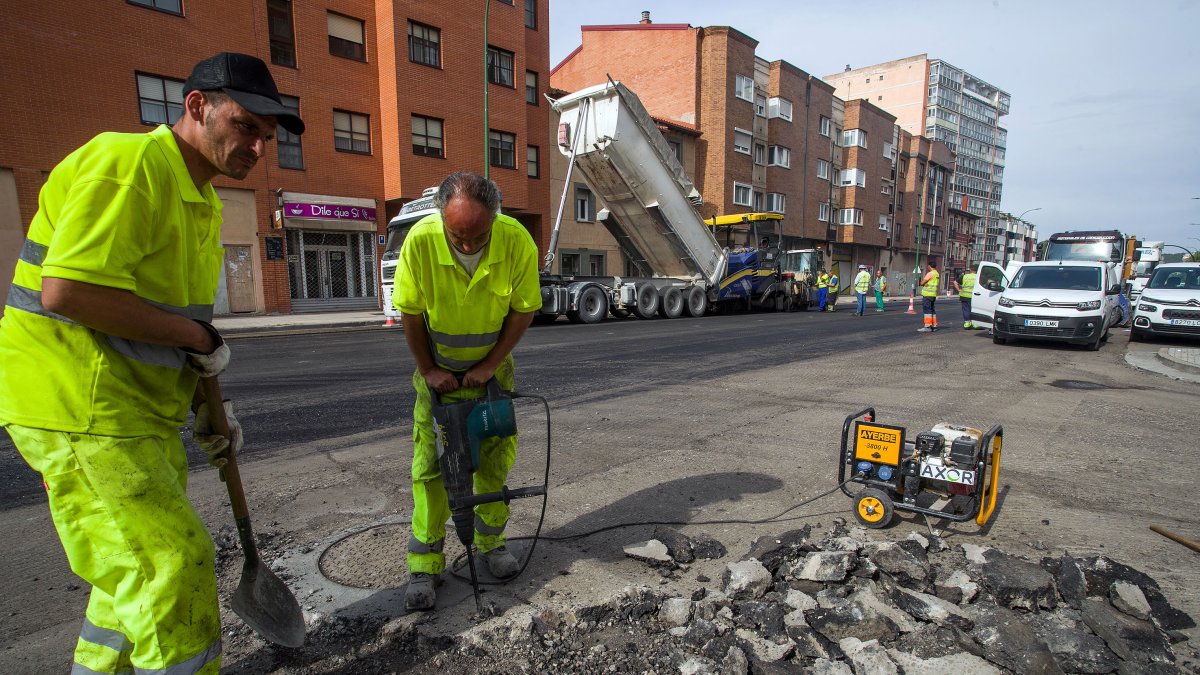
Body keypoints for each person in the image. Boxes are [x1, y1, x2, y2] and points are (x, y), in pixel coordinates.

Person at [0, 53, 303, 675]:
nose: (256, 147)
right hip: (79, 405)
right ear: (198, 107)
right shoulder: (132, 164)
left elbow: (165, 330)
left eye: (265, 138)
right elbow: (69, 291)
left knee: (130, 574)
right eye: (247, 126)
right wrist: (197, 335)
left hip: (136, 414)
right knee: (174, 563)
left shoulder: (200, 201)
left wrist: (206, 408)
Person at [394, 172, 542, 611]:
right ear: (443, 218)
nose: (466, 245)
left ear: (494, 220)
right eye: (457, 235)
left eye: (477, 236)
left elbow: (523, 309)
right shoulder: (420, 242)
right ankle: (425, 564)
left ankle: (491, 544)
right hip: (438, 379)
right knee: (431, 469)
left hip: (492, 377)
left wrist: (490, 364)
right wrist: (428, 369)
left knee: (493, 462)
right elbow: (410, 314)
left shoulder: (516, 242)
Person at [917, 260, 941, 332]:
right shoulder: (937, 274)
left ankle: (927, 326)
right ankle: (934, 325)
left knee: (927, 310)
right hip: (933, 295)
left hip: (927, 295)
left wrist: (922, 282)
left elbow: (922, 283)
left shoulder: (930, 273)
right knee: (932, 310)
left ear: (929, 266)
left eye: (928, 266)